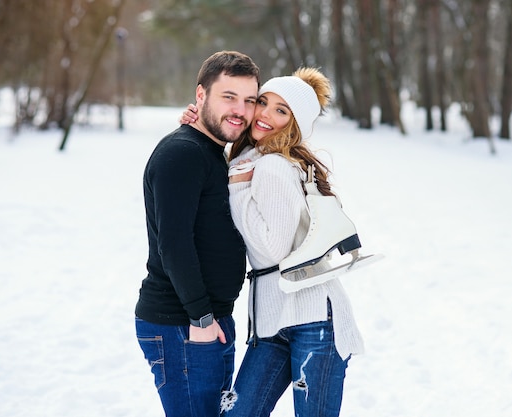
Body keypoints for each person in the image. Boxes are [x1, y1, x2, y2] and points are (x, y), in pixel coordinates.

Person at [181, 67, 364, 417]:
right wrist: (197, 127)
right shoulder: (250, 160)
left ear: (294, 124)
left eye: (281, 110)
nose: (265, 114)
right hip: (272, 323)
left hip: (313, 321)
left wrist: (238, 187)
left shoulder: (272, 167)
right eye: (263, 102)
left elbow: (272, 251)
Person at [134, 50, 260, 417]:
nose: (239, 109)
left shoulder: (210, 150)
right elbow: (173, 244)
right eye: (228, 97)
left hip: (205, 321)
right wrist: (201, 319)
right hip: (183, 324)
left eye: (248, 100)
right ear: (201, 95)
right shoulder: (183, 153)